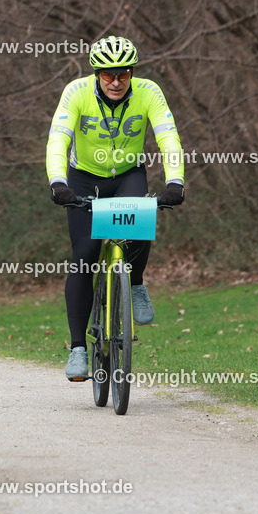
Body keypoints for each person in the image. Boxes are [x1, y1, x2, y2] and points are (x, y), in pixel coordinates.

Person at [45, 36, 185, 380]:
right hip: (82, 178)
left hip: (127, 174)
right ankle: (78, 349)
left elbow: (168, 136)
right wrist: (58, 182)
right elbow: (58, 138)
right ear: (96, 74)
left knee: (140, 220)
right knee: (85, 255)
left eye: (123, 74)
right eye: (108, 75)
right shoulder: (76, 92)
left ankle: (134, 283)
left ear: (132, 72)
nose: (116, 82)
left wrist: (175, 181)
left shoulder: (149, 92)